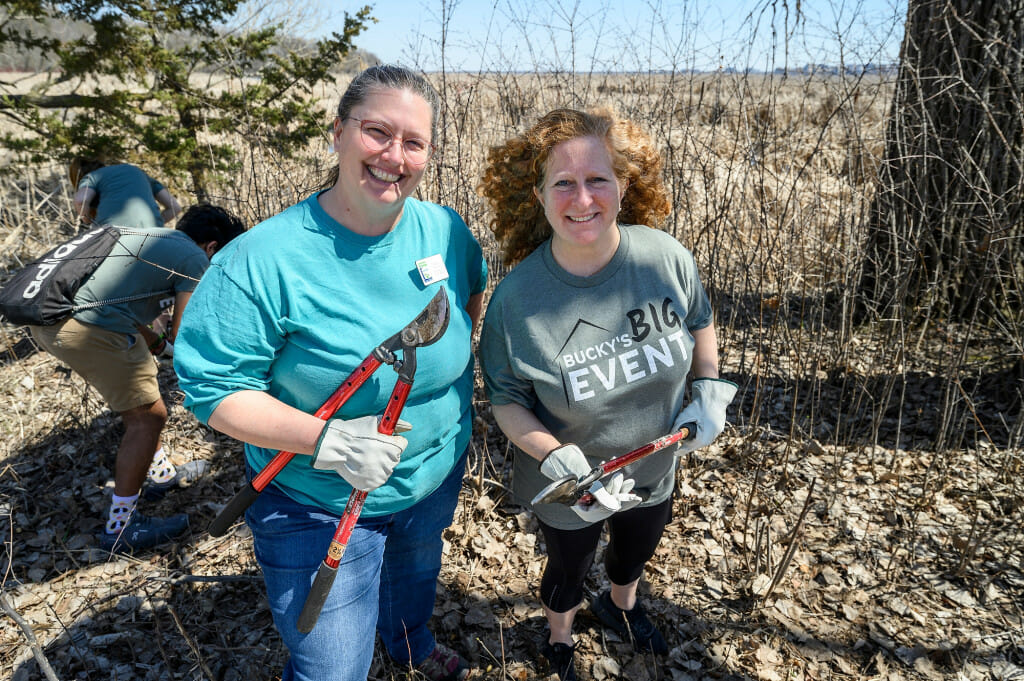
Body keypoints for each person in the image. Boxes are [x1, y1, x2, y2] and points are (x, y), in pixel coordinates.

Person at [172, 64, 487, 681]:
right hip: (314, 502)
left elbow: (467, 306)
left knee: (414, 580)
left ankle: (409, 643)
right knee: (332, 671)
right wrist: (329, 440)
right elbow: (215, 392)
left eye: (413, 142)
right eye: (376, 132)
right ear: (338, 131)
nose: (394, 156)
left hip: (433, 474)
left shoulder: (445, 230)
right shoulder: (263, 260)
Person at [477, 108, 738, 681]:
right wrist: (555, 456)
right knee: (568, 568)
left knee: (635, 551)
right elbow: (506, 399)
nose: (582, 198)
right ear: (538, 196)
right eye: (562, 183)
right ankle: (559, 638)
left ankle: (620, 607)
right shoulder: (516, 301)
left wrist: (709, 386)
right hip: (571, 482)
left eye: (598, 179)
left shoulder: (663, 257)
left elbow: (699, 317)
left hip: (654, 461)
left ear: (624, 184)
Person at [29, 203, 246, 554]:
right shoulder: (194, 259)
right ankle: (120, 529)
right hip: (85, 328)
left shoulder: (149, 237)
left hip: (50, 322)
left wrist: (157, 344)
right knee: (149, 417)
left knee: (140, 401)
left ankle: (160, 475)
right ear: (211, 246)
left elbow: (117, 301)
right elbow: (188, 333)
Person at [69, 157, 182, 228]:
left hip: (114, 233)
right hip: (154, 234)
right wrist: (154, 223)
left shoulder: (92, 177)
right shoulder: (136, 172)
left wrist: (87, 220)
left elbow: (81, 201)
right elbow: (175, 207)